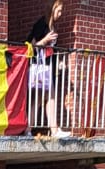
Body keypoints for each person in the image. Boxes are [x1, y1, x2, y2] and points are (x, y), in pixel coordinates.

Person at [28, 1, 69, 139]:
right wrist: (45, 39)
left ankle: (28, 129)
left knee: (42, 99)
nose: (60, 14)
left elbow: (52, 50)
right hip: (39, 67)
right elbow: (31, 46)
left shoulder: (52, 27)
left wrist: (59, 61)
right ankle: (53, 130)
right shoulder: (42, 24)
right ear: (52, 9)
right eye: (59, 10)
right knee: (46, 98)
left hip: (47, 67)